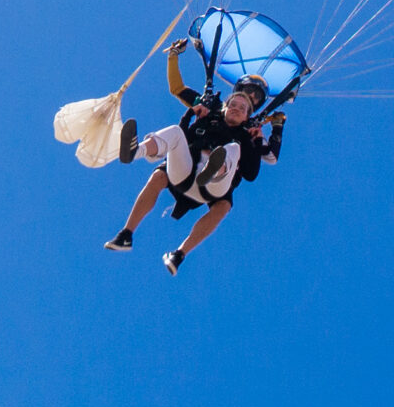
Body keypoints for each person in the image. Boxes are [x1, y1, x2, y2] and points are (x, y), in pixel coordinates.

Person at [102, 37, 287, 275]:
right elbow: (177, 89)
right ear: (231, 98)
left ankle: (180, 253)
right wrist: (173, 56)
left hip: (213, 187)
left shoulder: (250, 133)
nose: (246, 101)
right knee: (174, 139)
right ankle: (133, 160)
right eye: (242, 96)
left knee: (232, 158)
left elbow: (270, 157)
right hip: (185, 173)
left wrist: (276, 129)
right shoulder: (207, 109)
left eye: (253, 100)